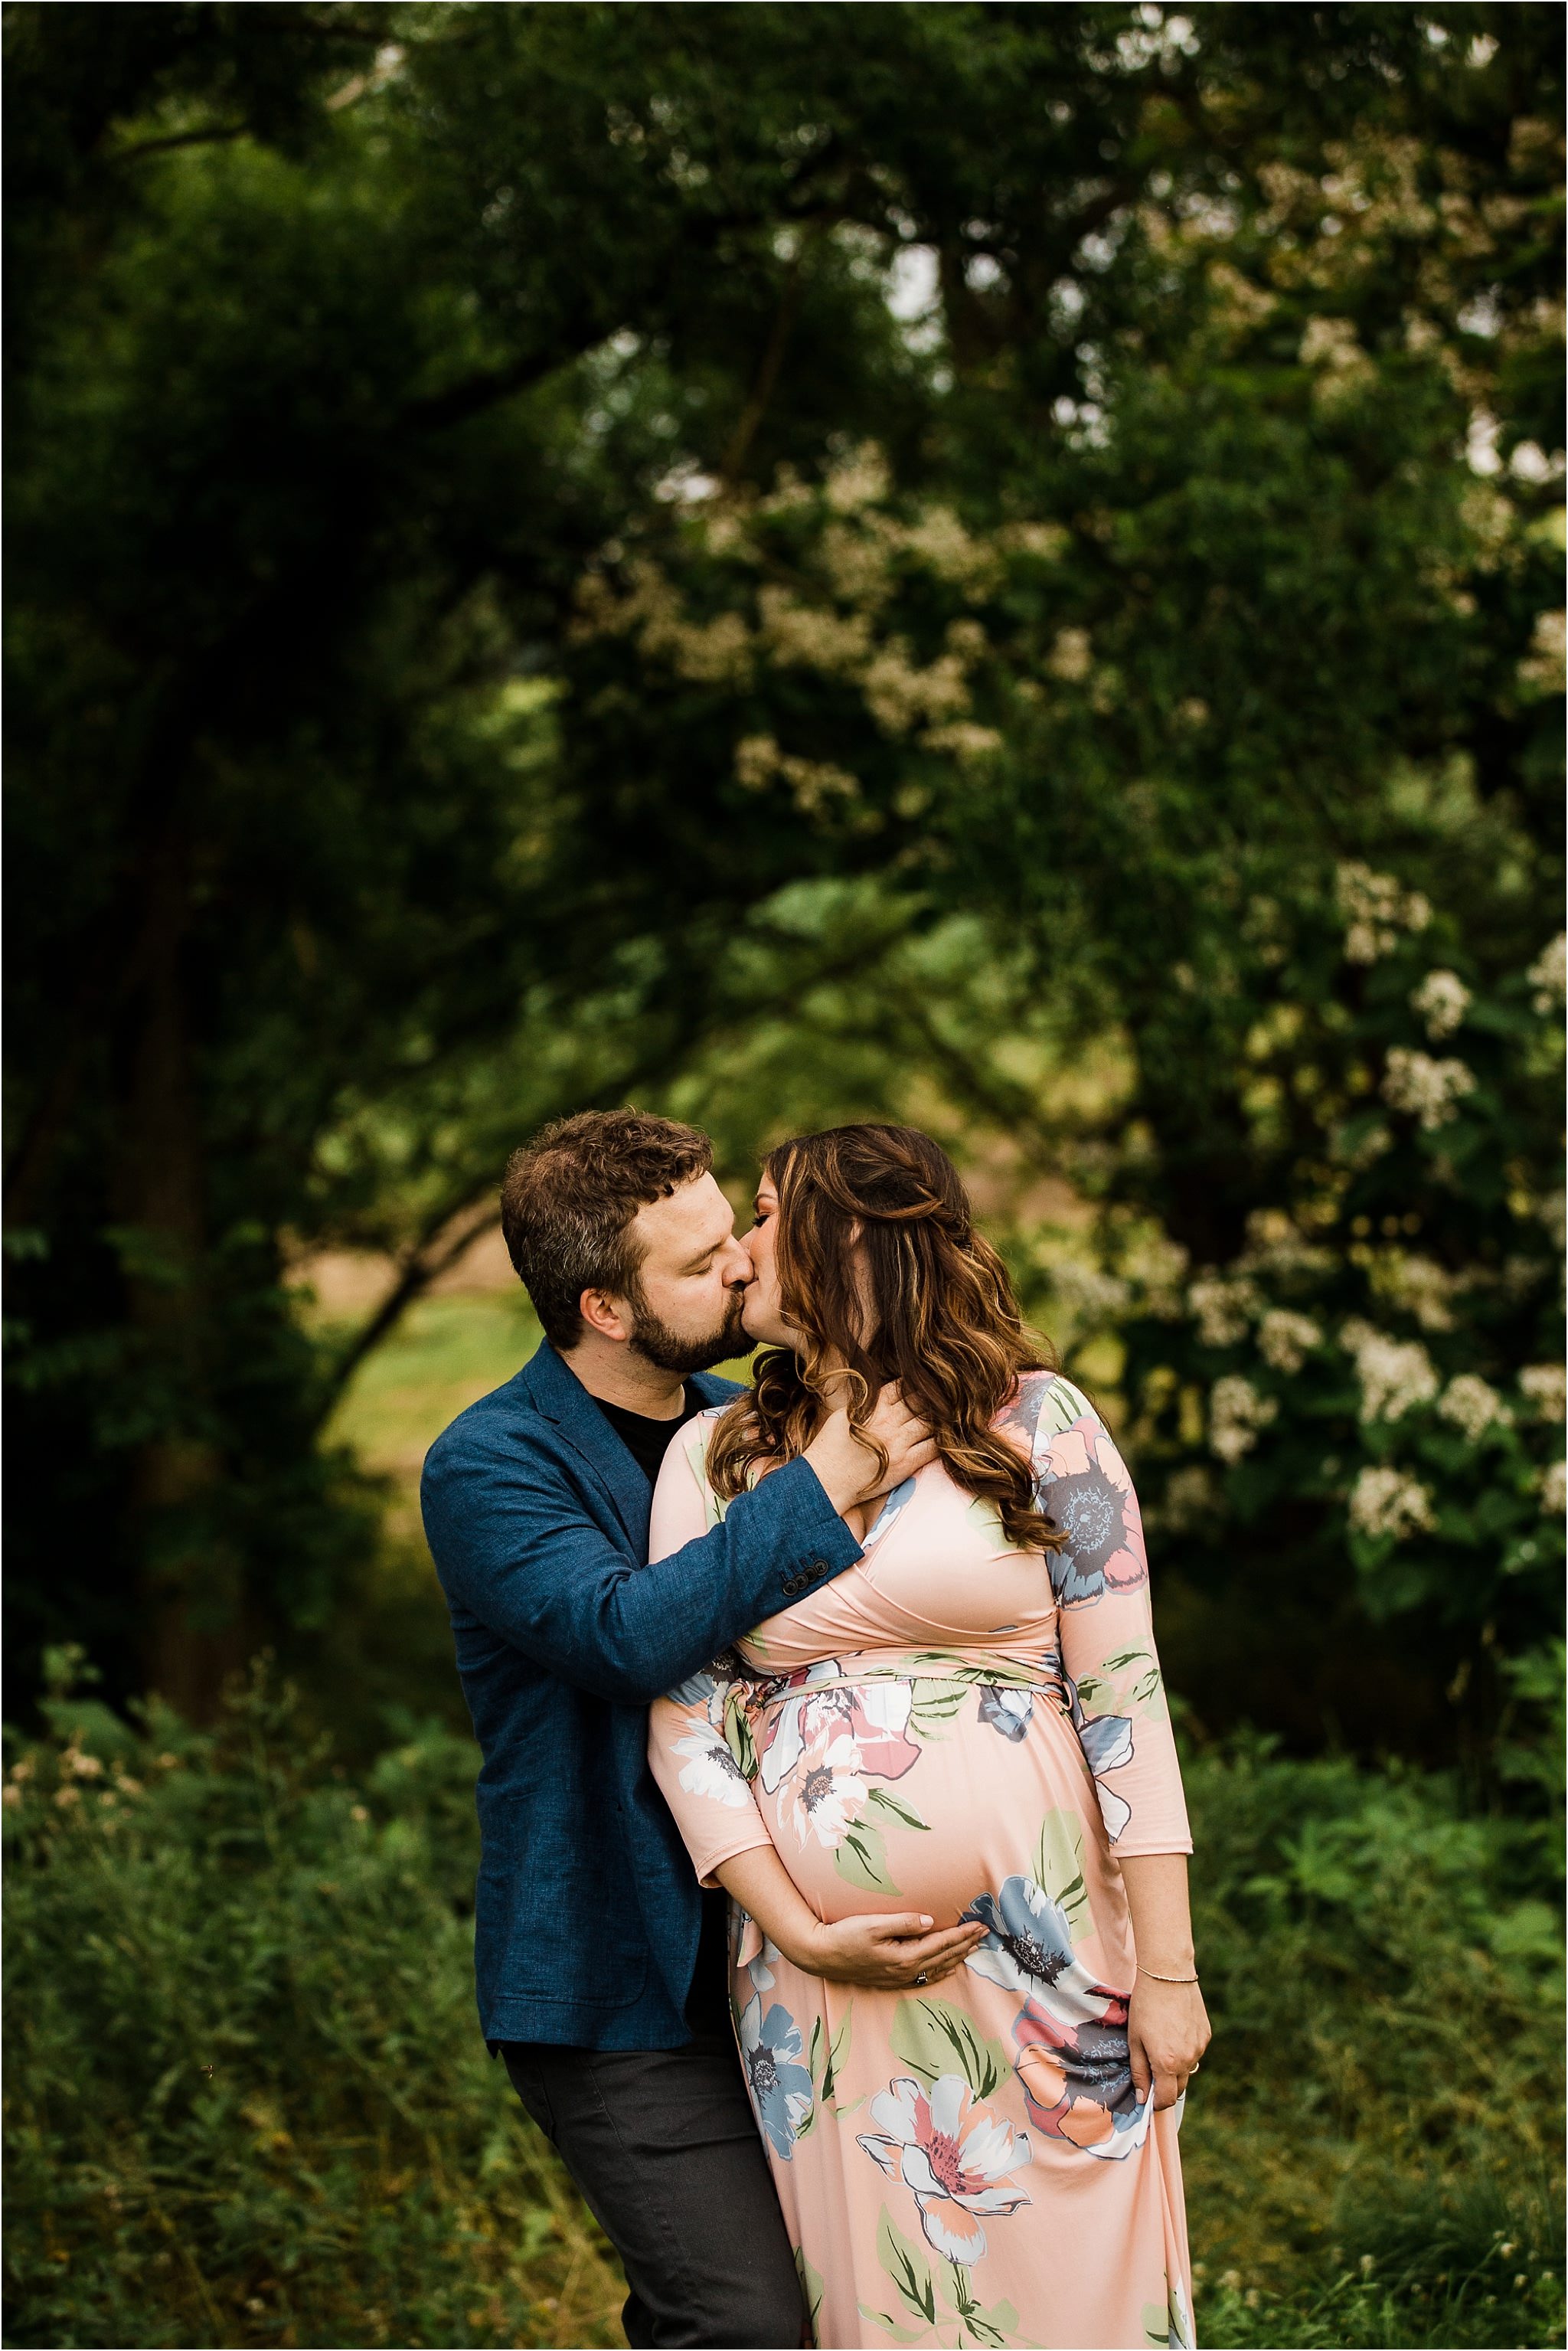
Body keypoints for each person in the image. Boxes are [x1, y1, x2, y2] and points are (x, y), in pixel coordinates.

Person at [648, 1123, 1210, 2351]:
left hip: (1051, 1962)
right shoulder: (715, 1451)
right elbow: (685, 1717)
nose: (740, 1251)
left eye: (760, 1211)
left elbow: (1126, 1696)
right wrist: (799, 1925)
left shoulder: (1041, 1422)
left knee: (1077, 2291)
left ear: (850, 1235)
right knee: (883, 2304)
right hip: (824, 1982)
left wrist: (1170, 1971)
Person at [420, 1109, 974, 2350]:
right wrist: (828, 1481)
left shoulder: (748, 1415)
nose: (742, 1264)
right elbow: (623, 1636)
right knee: (742, 2323)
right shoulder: (491, 1465)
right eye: (697, 1259)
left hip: (785, 1973)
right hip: (623, 1988)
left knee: (860, 2301)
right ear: (604, 1307)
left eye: (737, 1231)